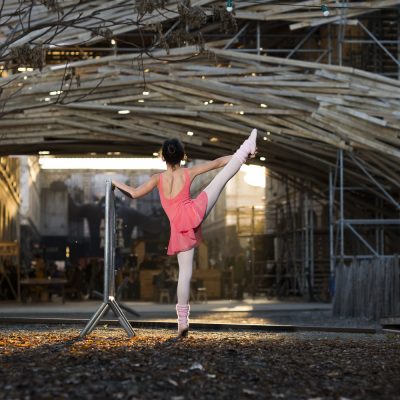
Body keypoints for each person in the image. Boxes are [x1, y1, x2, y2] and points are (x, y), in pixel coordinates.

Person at [112, 128, 257, 337]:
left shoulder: (157, 179)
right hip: (194, 213)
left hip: (178, 228)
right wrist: (238, 157)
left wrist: (114, 183)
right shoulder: (187, 173)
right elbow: (217, 163)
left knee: (184, 275)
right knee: (221, 178)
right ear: (183, 156)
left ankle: (182, 323)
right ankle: (245, 149)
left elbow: (134, 193)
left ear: (163, 157)